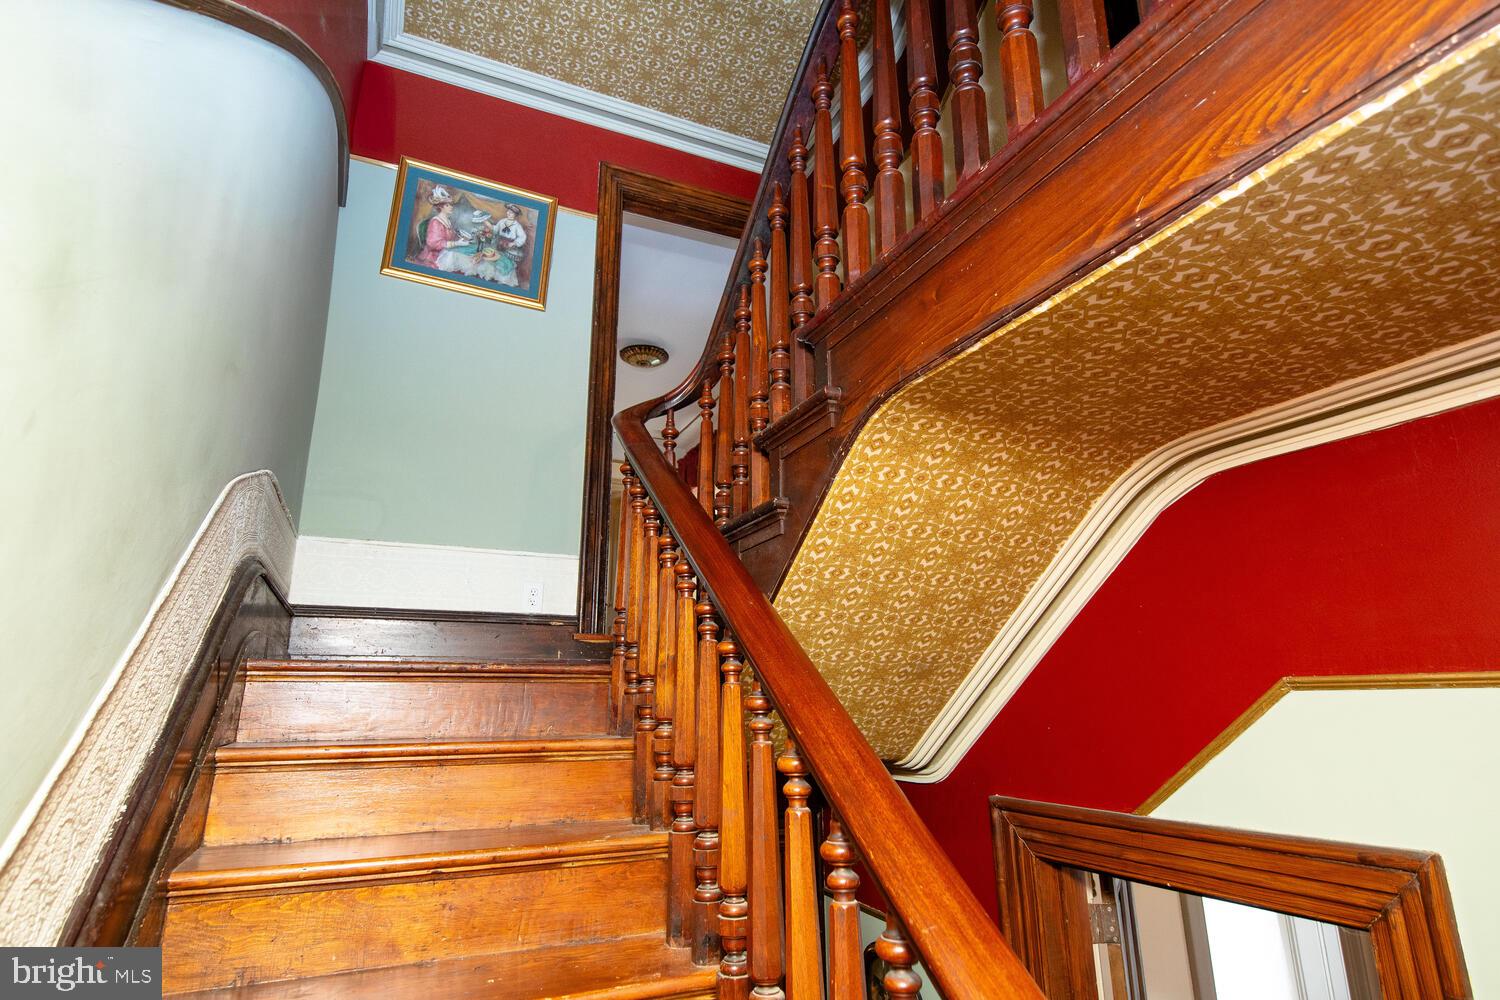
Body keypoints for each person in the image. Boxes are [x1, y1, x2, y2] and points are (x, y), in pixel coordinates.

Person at [412, 186, 469, 268]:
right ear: (440, 207)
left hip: (447, 253)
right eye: (447, 205)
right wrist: (456, 243)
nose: (451, 207)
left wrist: (461, 239)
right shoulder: (435, 222)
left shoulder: (448, 221)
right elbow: (433, 243)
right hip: (435, 257)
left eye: (450, 205)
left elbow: (449, 238)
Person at [437, 209, 492, 275]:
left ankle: (476, 256)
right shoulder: (446, 224)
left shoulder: (486, 228)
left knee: (477, 251)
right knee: (458, 252)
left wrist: (483, 234)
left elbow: (487, 234)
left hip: (480, 243)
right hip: (470, 242)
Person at [488, 203, 528, 287]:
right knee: (494, 259)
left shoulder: (517, 226)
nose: (509, 213)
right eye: (508, 211)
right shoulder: (502, 221)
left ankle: (504, 281)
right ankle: (493, 277)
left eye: (511, 213)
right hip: (499, 245)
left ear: (515, 215)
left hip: (509, 248)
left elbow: (522, 237)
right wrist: (486, 222)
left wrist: (513, 243)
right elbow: (495, 229)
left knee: (506, 264)